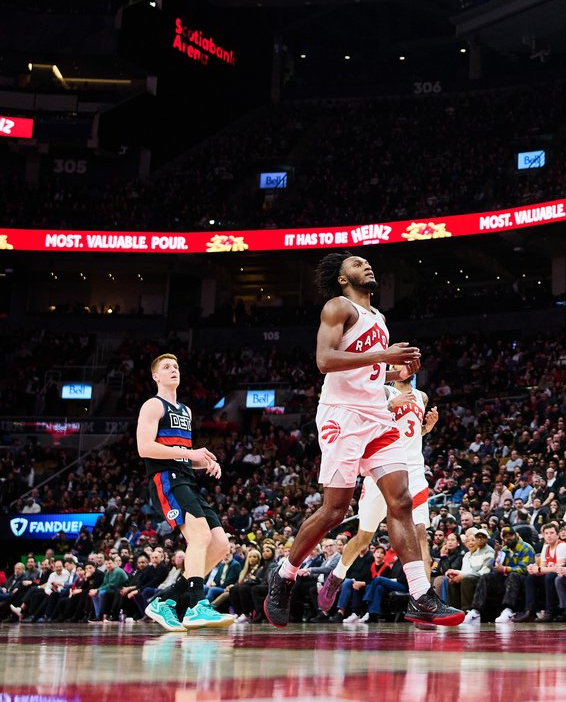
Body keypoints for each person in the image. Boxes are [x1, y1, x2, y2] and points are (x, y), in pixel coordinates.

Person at [265, 252, 461, 628]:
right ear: (343, 279)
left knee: (401, 501)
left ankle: (421, 596)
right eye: (356, 264)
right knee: (335, 510)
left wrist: (394, 372)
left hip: (376, 415)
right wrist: (384, 354)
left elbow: (368, 371)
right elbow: (325, 360)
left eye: (367, 262)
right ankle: (285, 574)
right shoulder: (338, 307)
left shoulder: (379, 319)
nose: (366, 265)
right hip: (342, 414)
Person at [317, 377, 438, 615]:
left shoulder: (422, 397)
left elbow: (411, 434)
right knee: (364, 538)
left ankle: (423, 602)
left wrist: (426, 429)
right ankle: (337, 576)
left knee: (420, 533)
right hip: (382, 468)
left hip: (413, 470)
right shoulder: (381, 391)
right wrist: (390, 406)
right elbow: (363, 421)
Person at [136, 353, 235, 632]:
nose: (173, 370)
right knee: (200, 537)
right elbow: (145, 448)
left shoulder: (186, 411)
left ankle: (164, 601)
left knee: (220, 545)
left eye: (176, 366)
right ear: (155, 376)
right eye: (166, 367)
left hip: (186, 479)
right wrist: (191, 454)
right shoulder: (153, 405)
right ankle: (196, 607)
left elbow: (180, 453)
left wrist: (204, 462)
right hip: (166, 479)